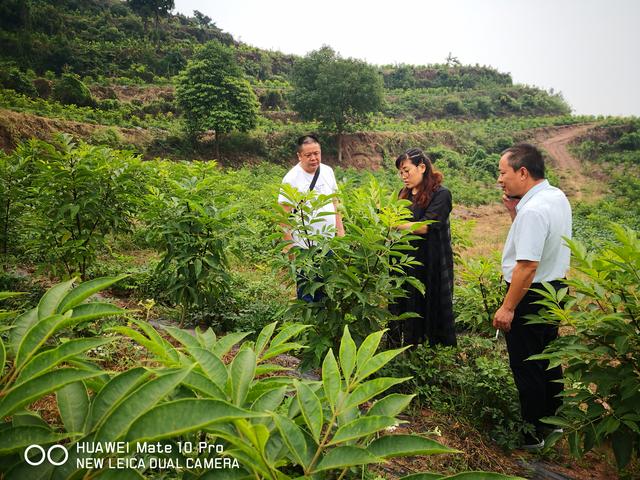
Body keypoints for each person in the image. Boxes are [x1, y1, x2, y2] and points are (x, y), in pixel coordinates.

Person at [493, 143, 571, 449]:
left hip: (530, 292)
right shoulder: (555, 197)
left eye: (503, 172)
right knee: (547, 358)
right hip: (554, 288)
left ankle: (532, 434)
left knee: (526, 364)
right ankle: (554, 423)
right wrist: (515, 213)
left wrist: (508, 308)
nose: (500, 179)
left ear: (522, 172)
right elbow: (538, 244)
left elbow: (526, 265)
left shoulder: (534, 210)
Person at [389, 148, 457, 347]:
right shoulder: (405, 194)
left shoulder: (441, 194)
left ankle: (431, 352)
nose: (403, 176)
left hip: (431, 260)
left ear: (422, 167)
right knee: (406, 303)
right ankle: (408, 347)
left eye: (406, 171)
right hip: (406, 262)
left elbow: (426, 226)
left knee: (429, 304)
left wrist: (392, 224)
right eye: (400, 172)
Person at [277, 134, 344, 301]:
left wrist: (340, 232)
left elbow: (335, 203)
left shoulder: (328, 171)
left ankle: (324, 322)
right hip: (304, 247)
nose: (314, 158)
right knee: (307, 290)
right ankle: (309, 324)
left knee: (327, 287)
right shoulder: (291, 179)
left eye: (317, 153)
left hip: (328, 244)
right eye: (309, 155)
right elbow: (282, 217)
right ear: (299, 156)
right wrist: (289, 246)